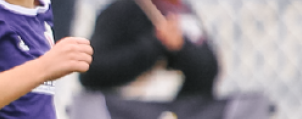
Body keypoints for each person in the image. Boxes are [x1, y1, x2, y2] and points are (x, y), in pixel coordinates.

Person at [78, 0, 218, 99]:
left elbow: (209, 67)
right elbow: (91, 73)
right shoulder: (122, 10)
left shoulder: (183, 12)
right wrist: (156, 44)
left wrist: (181, 48)